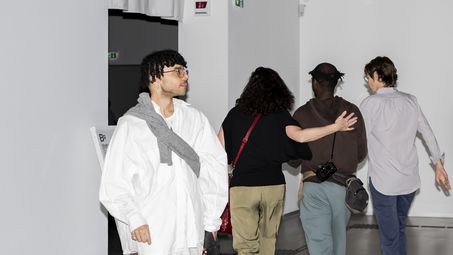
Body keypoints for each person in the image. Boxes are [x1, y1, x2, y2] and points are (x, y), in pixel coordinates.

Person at [99, 49, 228, 255]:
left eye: (185, 70)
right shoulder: (131, 125)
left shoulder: (194, 119)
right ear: (154, 77)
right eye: (178, 71)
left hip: (190, 229)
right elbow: (114, 182)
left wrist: (211, 222)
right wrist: (134, 219)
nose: (185, 76)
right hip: (152, 230)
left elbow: (214, 169)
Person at [217, 66, 358, 255]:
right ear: (278, 90)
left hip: (243, 187)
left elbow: (217, 150)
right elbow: (301, 137)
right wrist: (334, 127)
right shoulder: (280, 116)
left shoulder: (234, 114)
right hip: (272, 187)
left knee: (245, 246)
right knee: (268, 241)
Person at [360, 56, 451, 255]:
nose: (367, 81)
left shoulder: (370, 104)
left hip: (384, 183)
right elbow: (427, 132)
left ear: (377, 75)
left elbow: (359, 139)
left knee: (390, 238)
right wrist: (438, 164)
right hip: (408, 182)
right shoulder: (410, 101)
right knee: (398, 230)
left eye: (368, 77)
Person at [291, 63, 367, 255]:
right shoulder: (352, 111)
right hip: (344, 188)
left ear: (315, 83)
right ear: (335, 84)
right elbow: (361, 153)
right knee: (339, 242)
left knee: (319, 243)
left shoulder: (301, 114)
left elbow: (293, 159)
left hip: (313, 187)